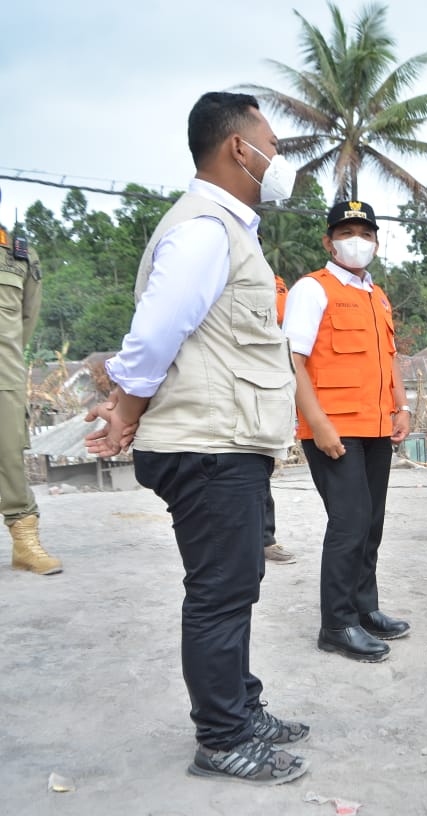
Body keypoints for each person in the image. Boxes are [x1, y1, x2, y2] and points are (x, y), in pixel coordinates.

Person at [85, 91, 308, 784]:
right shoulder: (204, 229)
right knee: (219, 590)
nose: (278, 155)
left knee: (235, 584)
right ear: (239, 148)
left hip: (223, 441)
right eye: (271, 140)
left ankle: (240, 706)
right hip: (206, 446)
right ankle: (221, 738)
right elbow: (154, 334)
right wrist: (125, 406)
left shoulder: (228, 229)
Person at [282, 199, 412, 663]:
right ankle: (336, 624)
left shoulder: (377, 296)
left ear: (376, 241)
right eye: (345, 232)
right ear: (328, 241)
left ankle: (364, 608)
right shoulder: (312, 290)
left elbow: (390, 358)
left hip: (377, 427)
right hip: (334, 430)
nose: (356, 241)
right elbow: (291, 359)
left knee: (370, 522)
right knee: (350, 521)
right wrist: (317, 424)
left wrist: (401, 407)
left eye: (365, 233)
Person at [0, 225, 59, 575]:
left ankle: (25, 542)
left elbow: (26, 320)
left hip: (2, 373)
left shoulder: (19, 257)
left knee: (8, 456)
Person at [263, 270, 295, 563]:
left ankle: (264, 540)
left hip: (265, 389)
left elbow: (281, 313)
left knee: (260, 472)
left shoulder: (273, 281)